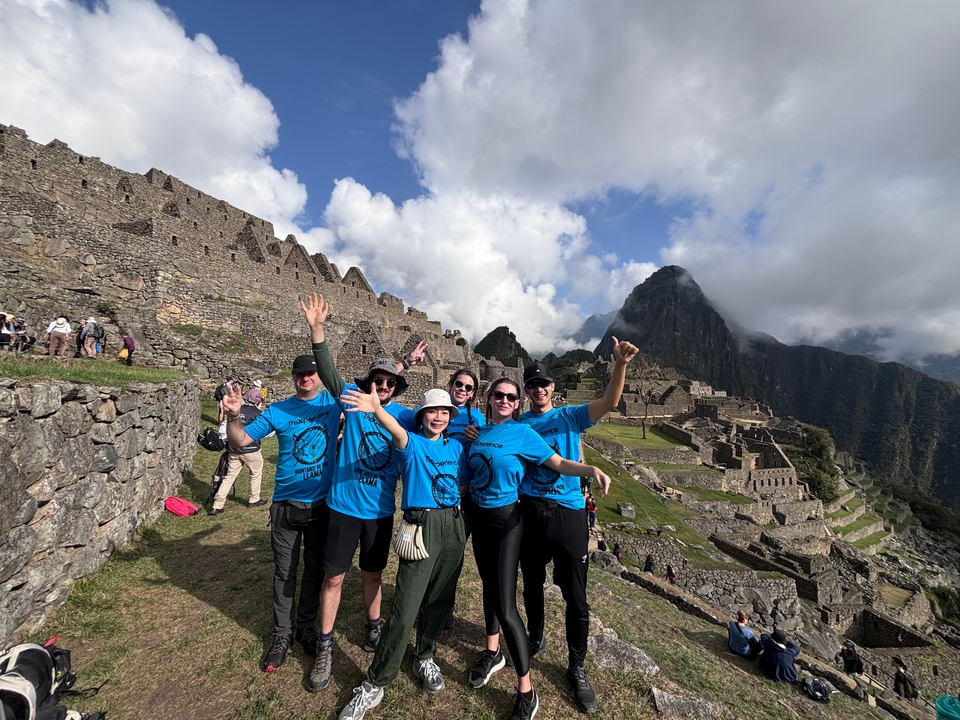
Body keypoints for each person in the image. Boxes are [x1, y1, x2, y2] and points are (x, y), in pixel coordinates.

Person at [465, 377, 611, 720]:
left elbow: (559, 463)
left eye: (510, 396)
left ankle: (556, 677)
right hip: (503, 518)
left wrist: (590, 469)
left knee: (569, 595)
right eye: (499, 395)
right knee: (520, 584)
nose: (504, 399)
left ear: (518, 402)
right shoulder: (480, 432)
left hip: (537, 516)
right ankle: (519, 643)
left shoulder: (526, 431)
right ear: (489, 398)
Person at [301, 292, 426, 693]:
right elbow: (329, 369)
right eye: (378, 380)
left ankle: (373, 627)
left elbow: (438, 423)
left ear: (396, 388)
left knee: (372, 574)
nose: (384, 386)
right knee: (334, 577)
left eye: (390, 382)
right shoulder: (352, 401)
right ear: (369, 383)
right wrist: (317, 330)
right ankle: (324, 645)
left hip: (378, 512)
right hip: (343, 507)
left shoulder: (403, 416)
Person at [512, 339, 637, 715]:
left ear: (552, 387)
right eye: (532, 385)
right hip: (530, 510)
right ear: (527, 391)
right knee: (531, 582)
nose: (539, 390)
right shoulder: (518, 423)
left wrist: (620, 365)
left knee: (576, 597)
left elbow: (609, 402)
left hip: (567, 512)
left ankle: (577, 666)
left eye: (544, 384)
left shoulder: (569, 417)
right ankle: (535, 637)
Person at [336, 388, 468, 720]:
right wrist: (377, 409)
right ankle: (375, 681)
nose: (438, 418)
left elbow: (462, 482)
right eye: (431, 412)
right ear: (422, 415)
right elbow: (395, 429)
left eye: (444, 413)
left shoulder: (456, 447)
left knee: (440, 597)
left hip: (453, 523)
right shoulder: (410, 444)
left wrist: (453, 499)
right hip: (421, 524)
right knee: (405, 606)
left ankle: (424, 655)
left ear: (451, 417)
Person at [221, 354, 342, 674]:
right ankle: (281, 635)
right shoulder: (277, 410)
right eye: (300, 374)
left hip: (321, 505)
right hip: (286, 506)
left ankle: (306, 627)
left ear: (319, 376)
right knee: (284, 573)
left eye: (312, 373)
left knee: (316, 570)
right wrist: (234, 417)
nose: (306, 378)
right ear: (293, 377)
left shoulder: (332, 404)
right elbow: (242, 441)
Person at [209, 388, 267, 515]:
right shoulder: (257, 413)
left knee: (229, 477)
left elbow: (224, 430)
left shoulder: (234, 410)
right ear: (257, 400)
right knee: (255, 473)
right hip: (251, 449)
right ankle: (254, 499)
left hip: (233, 450)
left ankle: (217, 504)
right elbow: (266, 431)